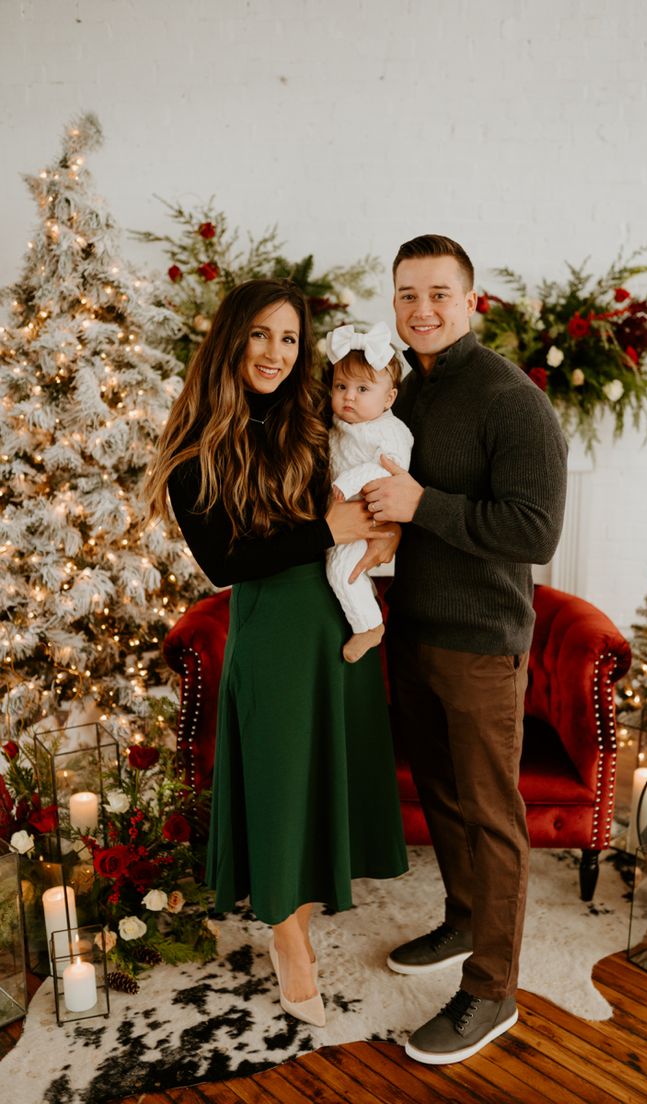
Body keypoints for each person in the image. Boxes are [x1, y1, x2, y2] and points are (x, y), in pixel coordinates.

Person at [145, 279, 408, 1028]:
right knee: (277, 783)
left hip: (337, 617)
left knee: (321, 776)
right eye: (261, 334)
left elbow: (368, 481)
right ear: (232, 338)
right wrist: (334, 529)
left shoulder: (312, 419)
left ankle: (303, 915)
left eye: (289, 339)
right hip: (272, 627)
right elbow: (226, 562)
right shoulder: (194, 444)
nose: (275, 352)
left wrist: (382, 529)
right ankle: (289, 942)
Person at [362, 235, 567, 1065]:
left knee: (491, 815)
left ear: (471, 301)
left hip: (482, 644)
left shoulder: (509, 401)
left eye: (438, 294)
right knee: (443, 796)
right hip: (413, 632)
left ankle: (492, 990)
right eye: (408, 294)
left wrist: (422, 505)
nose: (422, 310)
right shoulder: (407, 390)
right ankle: (463, 916)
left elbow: (536, 531)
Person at [324, 321, 413, 663]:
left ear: (389, 397)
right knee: (333, 567)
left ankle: (369, 626)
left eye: (363, 389)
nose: (348, 396)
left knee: (342, 571)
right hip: (339, 516)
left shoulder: (389, 431)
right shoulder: (341, 424)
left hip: (367, 515)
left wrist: (346, 484)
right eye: (341, 386)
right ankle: (362, 606)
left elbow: (390, 470)